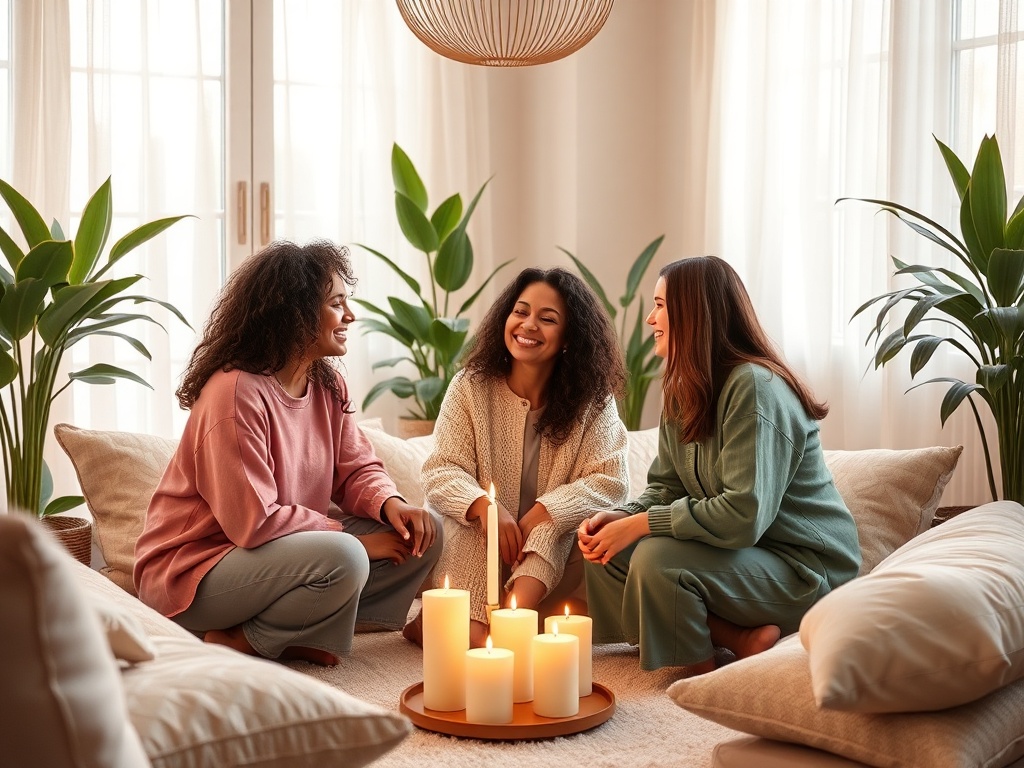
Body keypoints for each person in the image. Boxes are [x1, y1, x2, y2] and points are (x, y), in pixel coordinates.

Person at [134, 240, 441, 666]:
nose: (350, 315)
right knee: (349, 555)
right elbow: (253, 523)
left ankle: (309, 626)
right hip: (194, 572)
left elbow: (356, 469)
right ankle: (246, 639)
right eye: (337, 303)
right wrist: (356, 540)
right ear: (295, 314)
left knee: (427, 533)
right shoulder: (235, 393)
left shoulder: (327, 385)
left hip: (278, 555)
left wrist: (390, 504)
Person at [580, 255, 861, 676]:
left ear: (694, 315)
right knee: (607, 550)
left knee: (656, 558)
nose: (650, 319)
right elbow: (666, 487)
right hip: (744, 557)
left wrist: (642, 525)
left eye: (660, 306)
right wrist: (622, 517)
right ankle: (736, 637)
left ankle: (695, 672)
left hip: (805, 571)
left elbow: (743, 516)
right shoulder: (683, 389)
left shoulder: (755, 387)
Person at [414, 267, 630, 647]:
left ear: (568, 338)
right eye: (521, 312)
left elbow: (610, 481)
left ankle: (511, 621)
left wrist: (546, 510)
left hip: (551, 555)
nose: (528, 325)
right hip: (475, 536)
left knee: (559, 523)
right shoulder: (470, 386)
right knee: (471, 535)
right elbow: (441, 470)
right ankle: (483, 627)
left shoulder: (593, 401)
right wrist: (486, 508)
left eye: (547, 319)